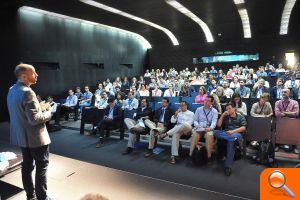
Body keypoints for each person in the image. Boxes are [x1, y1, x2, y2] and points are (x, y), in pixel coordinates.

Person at [7, 64, 53, 200]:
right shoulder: (28, 92)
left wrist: (39, 107)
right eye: (34, 73)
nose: (37, 75)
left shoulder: (12, 90)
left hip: (22, 138)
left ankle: (30, 196)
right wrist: (49, 113)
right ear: (24, 76)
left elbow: (20, 113)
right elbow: (35, 119)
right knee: (41, 167)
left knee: (27, 167)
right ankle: (42, 197)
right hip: (36, 139)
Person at [214, 103, 247, 176]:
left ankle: (228, 166)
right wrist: (222, 115)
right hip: (226, 134)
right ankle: (232, 139)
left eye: (229, 108)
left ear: (234, 109)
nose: (228, 110)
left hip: (236, 133)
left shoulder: (240, 117)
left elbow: (244, 128)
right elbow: (218, 125)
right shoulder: (226, 117)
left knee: (231, 140)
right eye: (226, 109)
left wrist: (232, 131)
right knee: (215, 132)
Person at [189, 96, 218, 163]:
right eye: (205, 100)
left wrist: (210, 128)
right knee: (195, 135)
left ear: (211, 102)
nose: (206, 102)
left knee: (209, 135)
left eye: (208, 101)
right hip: (199, 128)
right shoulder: (198, 109)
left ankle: (208, 156)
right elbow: (195, 120)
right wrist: (198, 126)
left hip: (208, 128)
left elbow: (214, 122)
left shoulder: (214, 111)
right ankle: (191, 155)